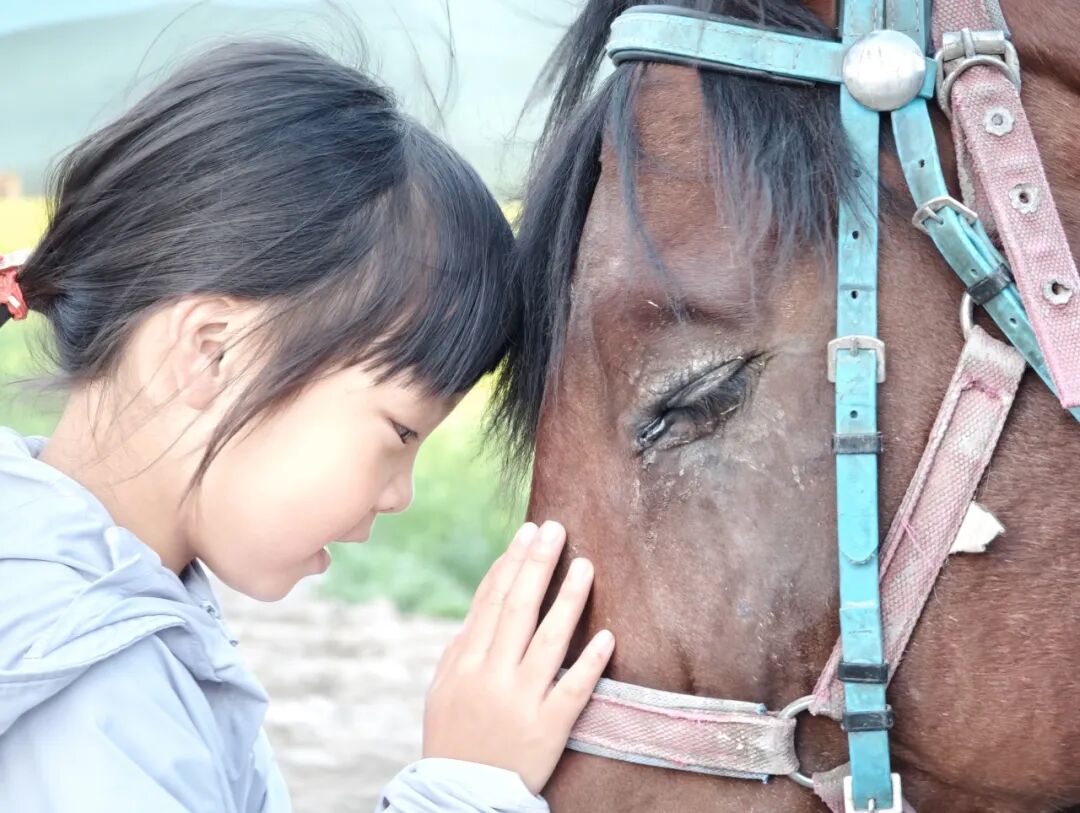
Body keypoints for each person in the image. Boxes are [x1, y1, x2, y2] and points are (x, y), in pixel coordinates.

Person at [0, 40, 614, 812]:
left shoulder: (102, 614)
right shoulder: (80, 684)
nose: (400, 495)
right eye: (401, 432)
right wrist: (465, 786)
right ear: (212, 352)